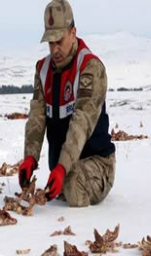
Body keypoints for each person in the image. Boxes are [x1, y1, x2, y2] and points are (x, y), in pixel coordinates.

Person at [18, 0, 116, 207]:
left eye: (59, 41)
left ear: (73, 33)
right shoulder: (43, 70)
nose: (54, 50)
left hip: (97, 163)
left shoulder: (91, 68)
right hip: (62, 168)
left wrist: (62, 168)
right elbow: (37, 117)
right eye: (50, 43)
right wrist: (30, 158)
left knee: (72, 186)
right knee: (63, 186)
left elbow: (81, 123)